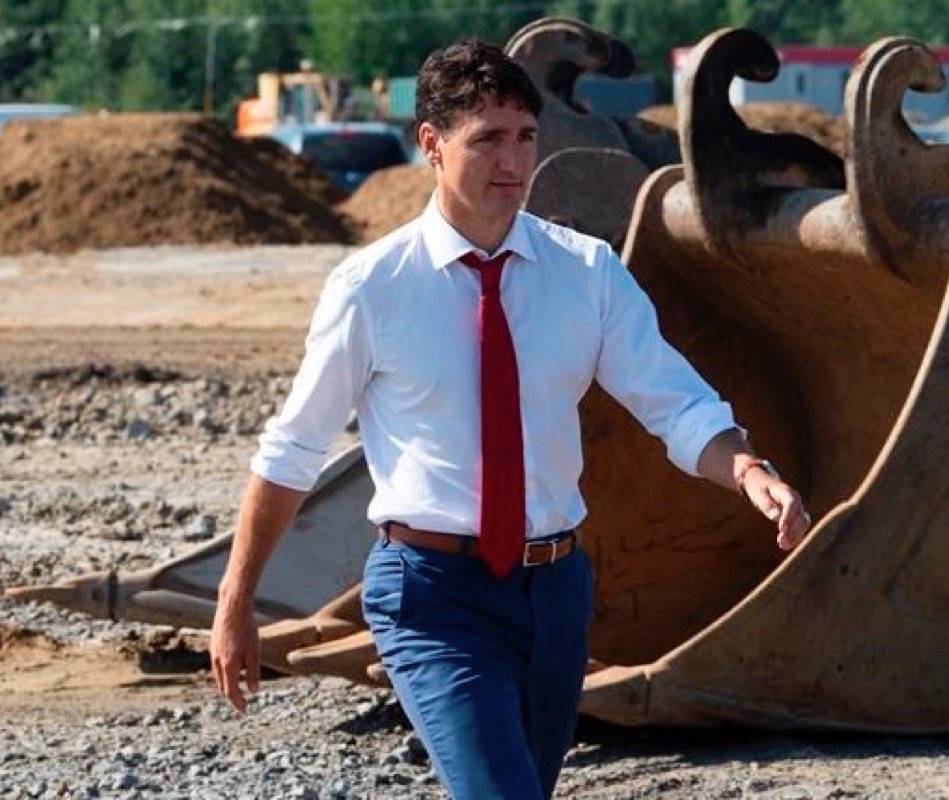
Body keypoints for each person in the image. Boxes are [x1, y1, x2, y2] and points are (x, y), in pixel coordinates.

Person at [210, 37, 812, 800]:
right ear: (431, 145)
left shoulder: (586, 273)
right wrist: (236, 603)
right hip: (431, 595)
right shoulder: (371, 289)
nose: (513, 162)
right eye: (487, 139)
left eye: (526, 137)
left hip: (557, 592)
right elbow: (292, 450)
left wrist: (749, 470)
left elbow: (677, 403)